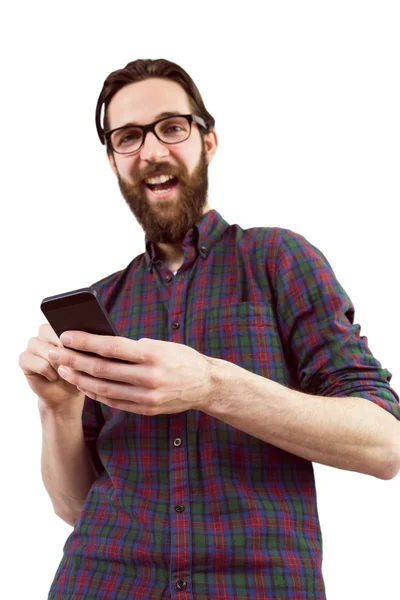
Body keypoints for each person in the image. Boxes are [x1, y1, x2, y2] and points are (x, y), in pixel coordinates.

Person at [19, 58, 400, 600]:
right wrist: (57, 409)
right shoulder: (103, 303)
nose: (152, 151)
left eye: (171, 127)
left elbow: (385, 444)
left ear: (208, 141)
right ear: (113, 161)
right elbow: (77, 508)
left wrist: (210, 385)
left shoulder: (279, 259)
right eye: (128, 137)